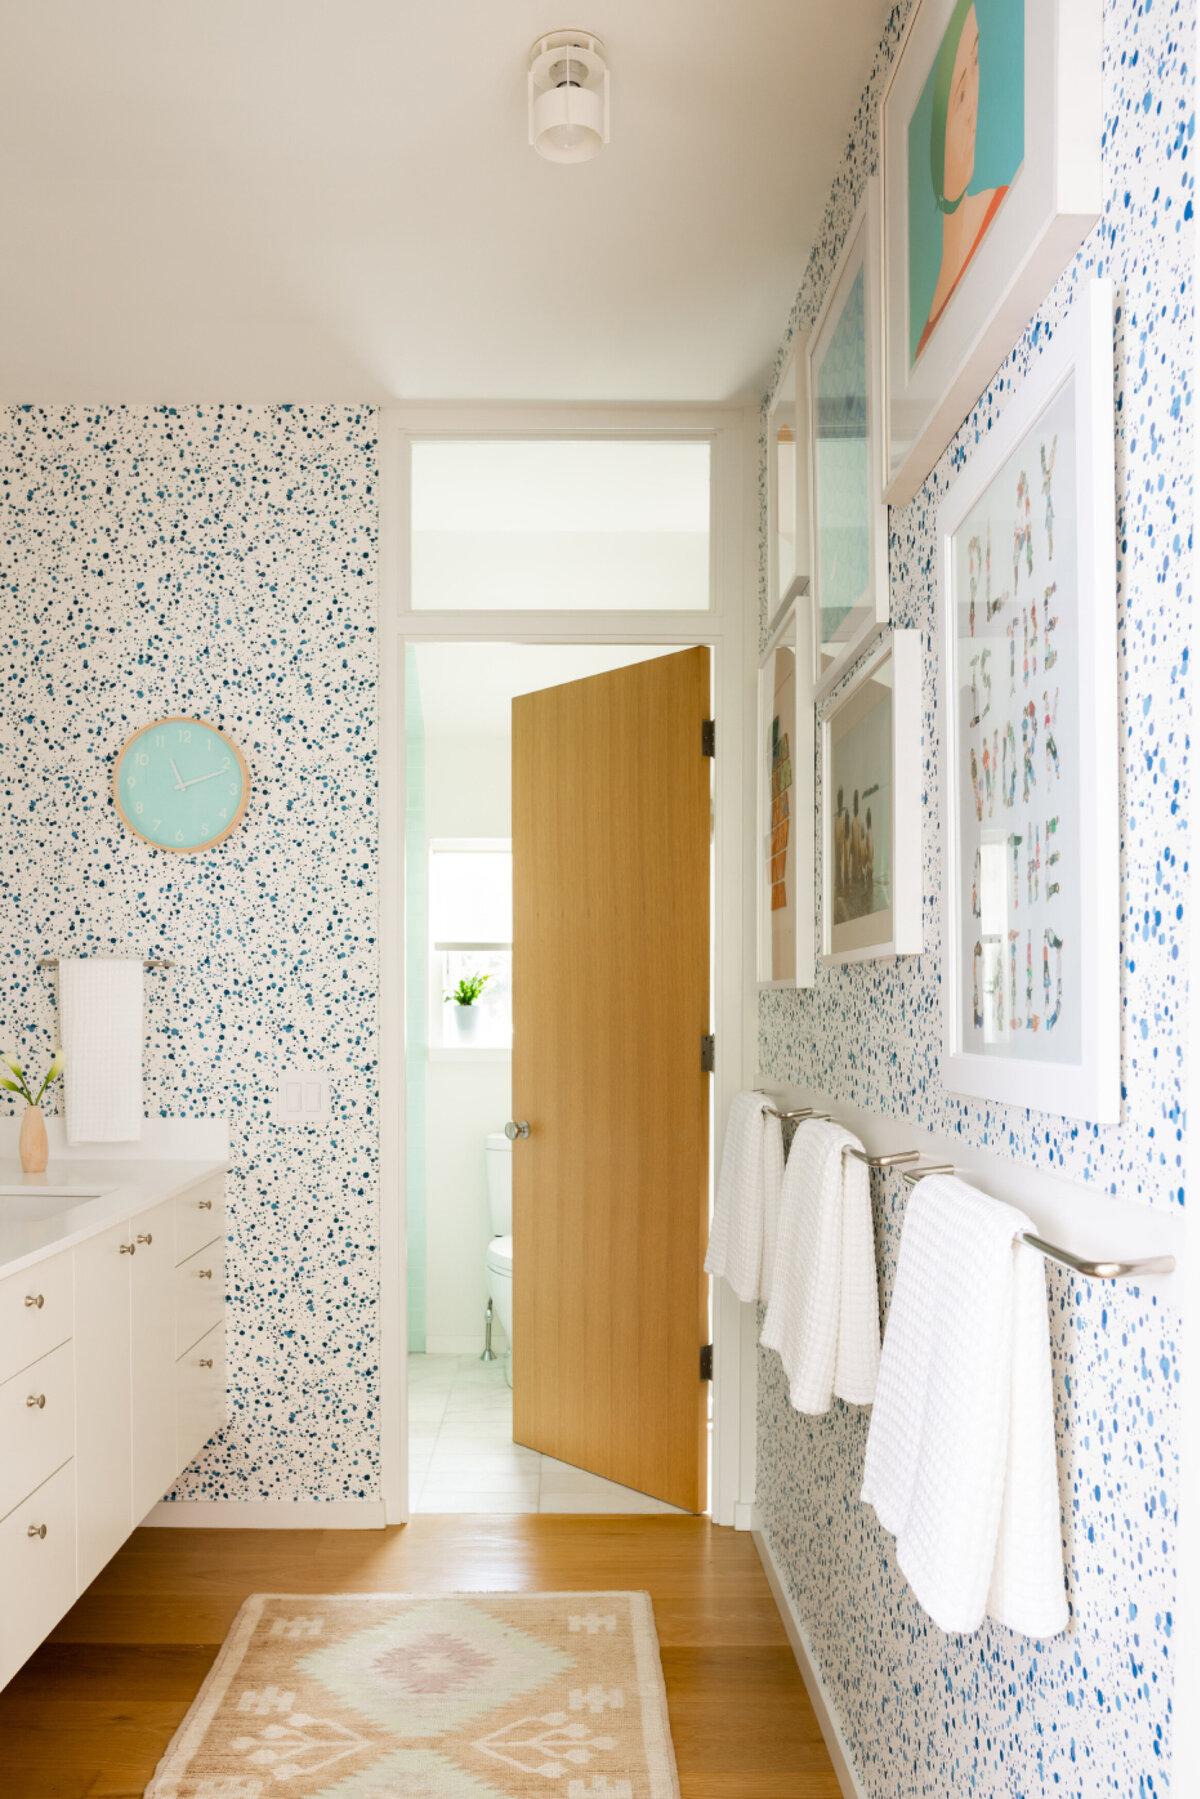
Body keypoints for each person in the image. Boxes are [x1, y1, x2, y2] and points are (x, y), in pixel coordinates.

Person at [915, 0, 1009, 361]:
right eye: (960, 97)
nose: (973, 113)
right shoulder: (928, 338)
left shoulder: (1001, 213)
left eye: (977, 59)